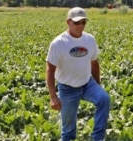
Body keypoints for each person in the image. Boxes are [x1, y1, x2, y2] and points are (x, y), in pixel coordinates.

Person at [46, 7, 110, 141]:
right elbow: (50, 70)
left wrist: (97, 84)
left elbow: (94, 63)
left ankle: (98, 138)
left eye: (83, 22)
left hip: (87, 83)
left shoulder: (89, 39)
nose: (80, 26)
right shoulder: (59, 43)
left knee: (104, 98)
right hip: (67, 88)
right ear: (68, 22)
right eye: (76, 22)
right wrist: (53, 97)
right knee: (68, 131)